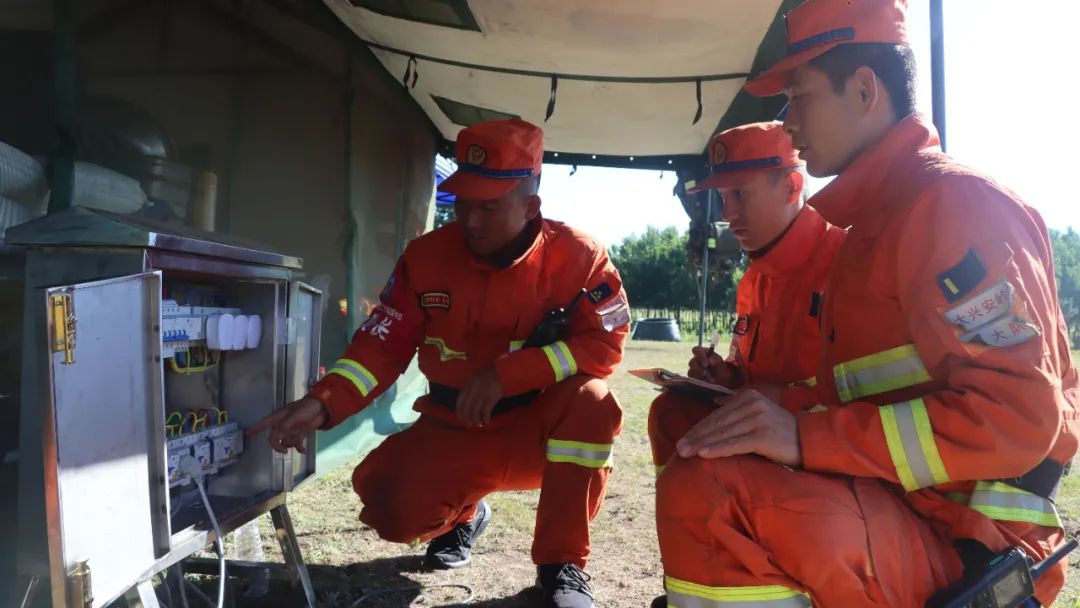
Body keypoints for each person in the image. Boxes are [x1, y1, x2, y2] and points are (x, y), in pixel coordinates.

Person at [653, 1, 1080, 606]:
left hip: (973, 547)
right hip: (903, 508)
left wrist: (806, 439)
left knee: (707, 490)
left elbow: (1017, 417)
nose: (789, 126)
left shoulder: (951, 206)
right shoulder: (873, 228)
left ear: (863, 90)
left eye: (799, 98)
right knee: (695, 433)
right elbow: (869, 398)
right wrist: (768, 407)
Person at [249, 119, 630, 608]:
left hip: (537, 430)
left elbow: (607, 342)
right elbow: (381, 346)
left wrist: (511, 374)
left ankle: (562, 566)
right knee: (389, 507)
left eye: (488, 207)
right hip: (456, 426)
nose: (470, 220)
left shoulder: (581, 256)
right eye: (462, 203)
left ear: (531, 207)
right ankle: (466, 514)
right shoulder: (426, 258)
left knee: (592, 402)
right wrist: (323, 404)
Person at [648, 121, 845, 476]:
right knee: (671, 412)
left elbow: (873, 395)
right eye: (724, 198)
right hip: (762, 436)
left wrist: (780, 399)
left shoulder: (849, 263)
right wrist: (727, 377)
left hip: (824, 451)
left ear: (792, 186)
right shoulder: (754, 279)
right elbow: (750, 371)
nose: (727, 214)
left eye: (739, 194)